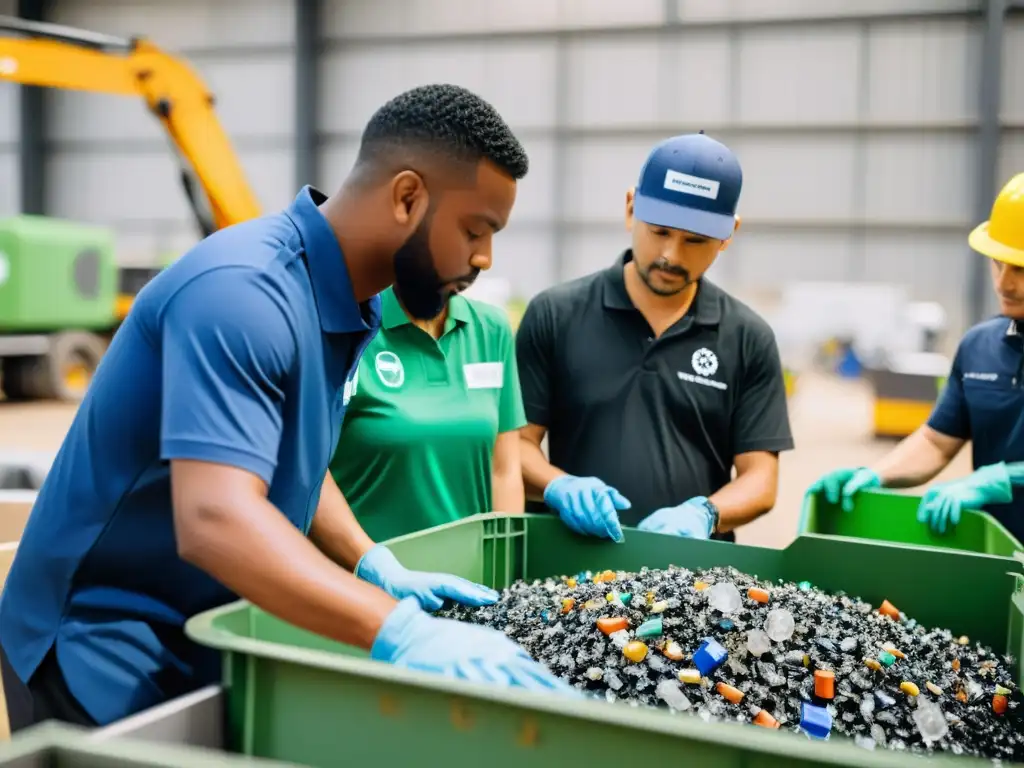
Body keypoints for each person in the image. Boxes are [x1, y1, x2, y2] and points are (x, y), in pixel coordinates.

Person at [0, 84, 573, 732]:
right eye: (476, 229)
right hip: (97, 642)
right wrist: (400, 630)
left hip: (201, 626)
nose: (484, 259)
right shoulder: (245, 294)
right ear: (408, 196)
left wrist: (369, 561)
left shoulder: (345, 305)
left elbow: (290, 456)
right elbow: (215, 517)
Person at [515, 132, 794, 544]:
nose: (672, 255)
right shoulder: (556, 315)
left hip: (692, 577)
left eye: (695, 241)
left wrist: (706, 513)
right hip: (570, 566)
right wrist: (559, 487)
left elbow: (760, 478)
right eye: (660, 231)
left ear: (728, 234)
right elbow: (514, 448)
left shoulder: (747, 337)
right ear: (631, 208)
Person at [806, 172, 1024, 539]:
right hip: (1003, 560)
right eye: (998, 263)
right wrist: (877, 474)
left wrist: (1004, 477)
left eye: (1020, 268)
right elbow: (936, 442)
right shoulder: (979, 348)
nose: (1003, 283)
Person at [329, 283, 525, 541]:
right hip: (362, 571)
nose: (483, 260)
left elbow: (504, 469)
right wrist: (371, 562)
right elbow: (312, 475)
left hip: (471, 574)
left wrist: (503, 566)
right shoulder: (350, 328)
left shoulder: (491, 328)